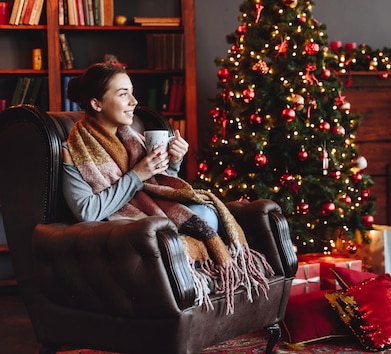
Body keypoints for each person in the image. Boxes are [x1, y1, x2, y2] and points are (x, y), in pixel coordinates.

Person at [61, 62, 271, 313]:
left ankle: (204, 270)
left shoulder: (132, 139)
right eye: (123, 94)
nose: (134, 101)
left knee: (206, 213)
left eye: (132, 92)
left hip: (152, 219)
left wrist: (174, 161)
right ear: (96, 104)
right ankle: (206, 270)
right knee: (200, 219)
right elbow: (86, 212)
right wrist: (137, 175)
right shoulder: (73, 151)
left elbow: (155, 187)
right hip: (122, 233)